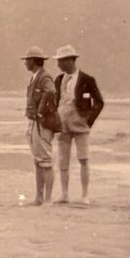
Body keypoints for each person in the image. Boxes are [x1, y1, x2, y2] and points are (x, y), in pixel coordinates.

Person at [53, 45, 104, 205]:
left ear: (70, 60)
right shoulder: (58, 80)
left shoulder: (87, 80)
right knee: (63, 161)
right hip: (62, 123)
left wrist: (88, 121)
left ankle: (84, 195)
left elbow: (99, 102)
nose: (58, 64)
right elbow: (55, 102)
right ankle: (64, 194)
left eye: (60, 61)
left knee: (83, 159)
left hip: (80, 123)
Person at [21, 45, 57, 205]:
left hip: (41, 124)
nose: (25, 63)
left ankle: (47, 199)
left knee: (45, 161)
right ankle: (39, 198)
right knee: (38, 161)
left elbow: (50, 91)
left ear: (32, 61)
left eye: (27, 60)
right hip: (34, 123)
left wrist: (41, 111)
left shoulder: (44, 77)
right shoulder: (37, 77)